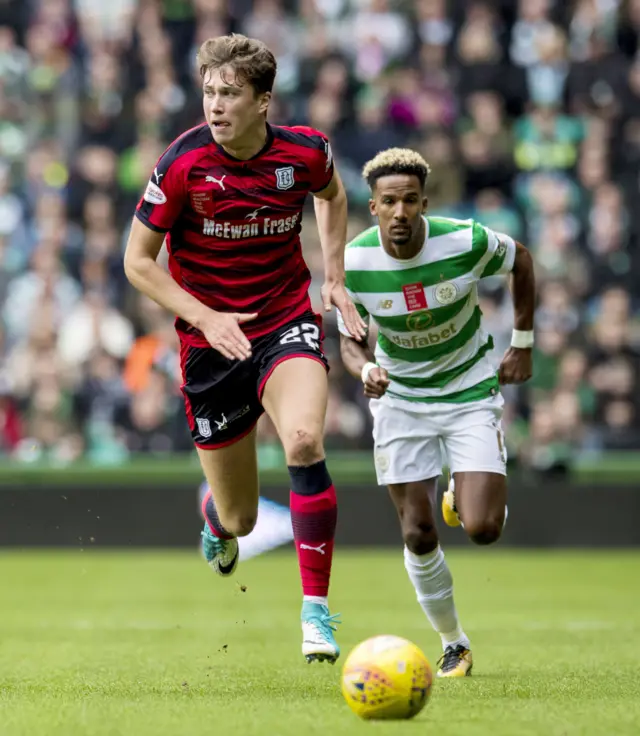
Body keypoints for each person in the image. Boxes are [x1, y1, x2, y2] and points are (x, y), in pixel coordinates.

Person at [123, 33, 367, 664]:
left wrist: (333, 277)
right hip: (211, 343)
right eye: (209, 92)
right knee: (241, 520)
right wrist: (205, 317)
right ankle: (215, 516)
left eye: (229, 93)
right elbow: (137, 263)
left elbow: (333, 196)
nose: (215, 104)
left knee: (306, 441)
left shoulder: (305, 152)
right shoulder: (181, 163)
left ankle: (316, 613)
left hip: (284, 317)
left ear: (263, 101)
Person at [338, 148, 535, 678]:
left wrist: (522, 342)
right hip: (401, 399)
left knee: (484, 528)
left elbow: (521, 258)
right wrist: (363, 370)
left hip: (469, 389)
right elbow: (351, 343)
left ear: (424, 203)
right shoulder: (353, 263)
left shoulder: (465, 240)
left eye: (408, 201)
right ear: (373, 207)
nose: (399, 212)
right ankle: (454, 643)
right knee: (418, 532)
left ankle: (466, 494)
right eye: (388, 202)